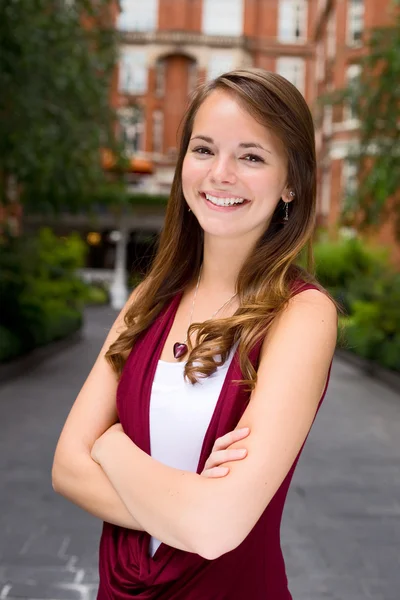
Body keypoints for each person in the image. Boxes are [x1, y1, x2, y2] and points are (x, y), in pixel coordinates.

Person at [52, 68, 338, 599]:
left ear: (292, 182)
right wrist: (190, 509)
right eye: (204, 149)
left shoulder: (303, 315)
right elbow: (66, 468)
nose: (220, 174)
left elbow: (218, 528)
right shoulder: (148, 301)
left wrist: (111, 448)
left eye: (251, 157)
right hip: (119, 589)